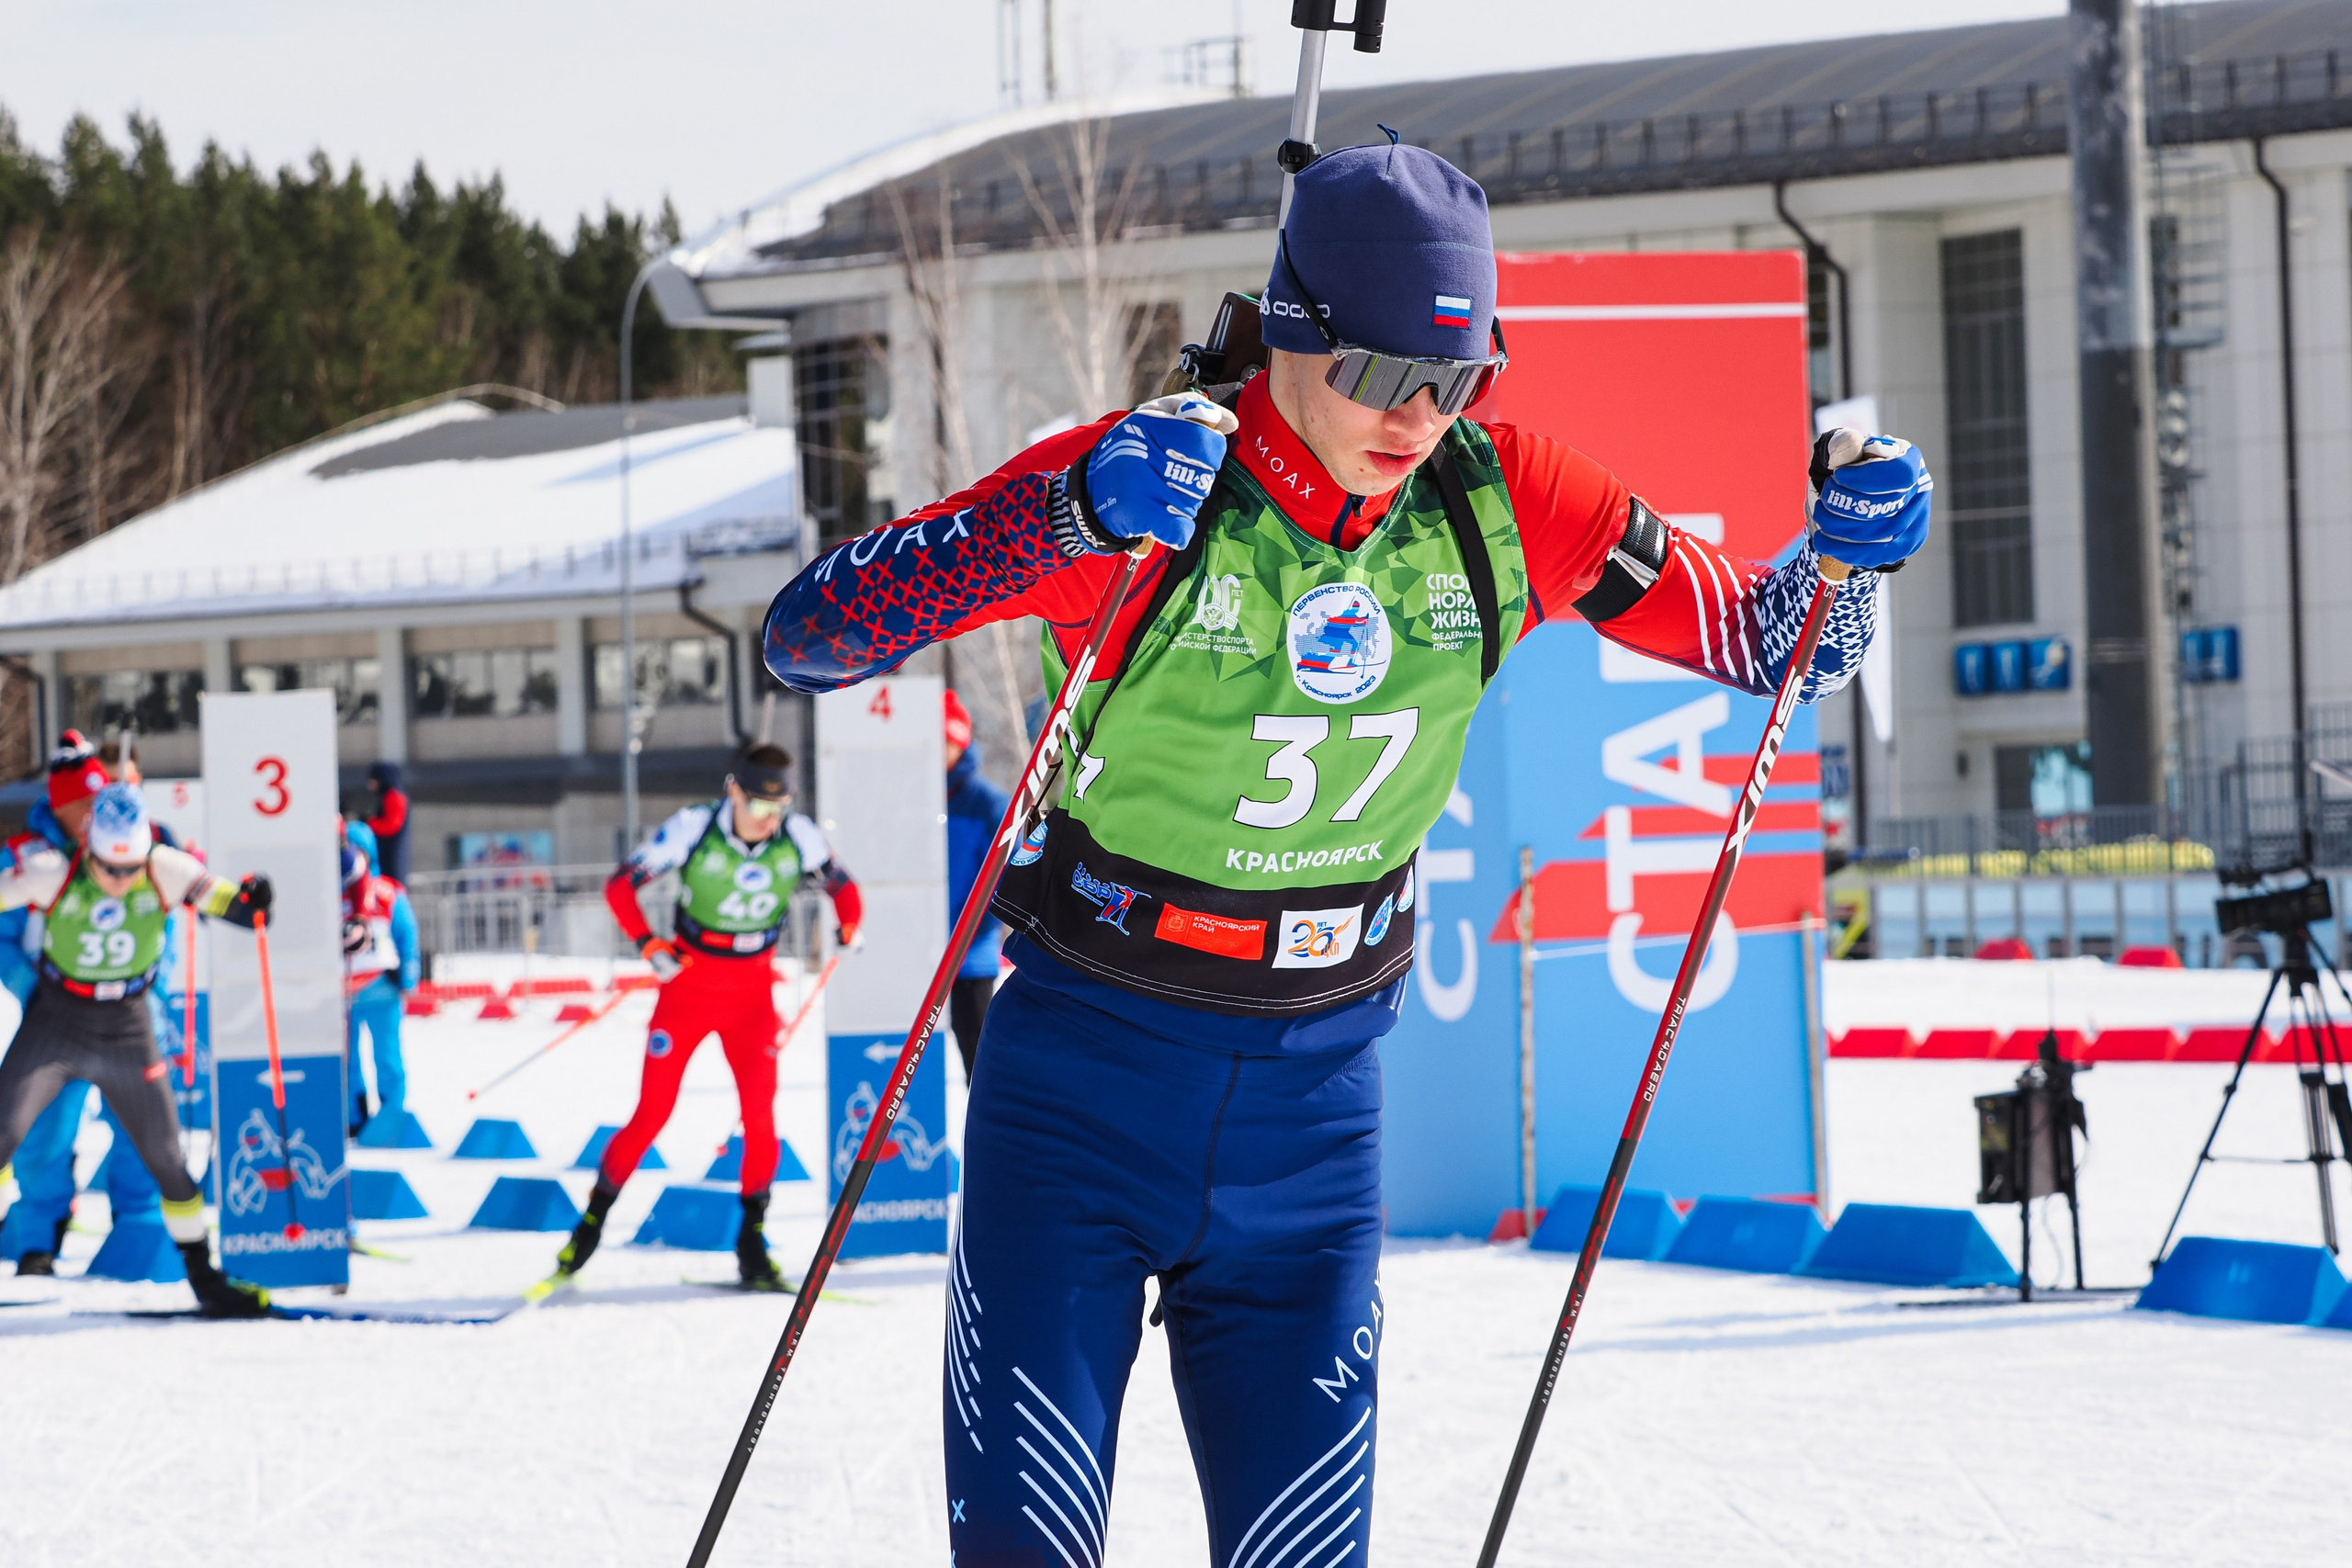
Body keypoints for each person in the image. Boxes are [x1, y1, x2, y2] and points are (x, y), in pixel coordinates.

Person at [762, 141, 1928, 1565]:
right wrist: (1055, 517)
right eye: (1383, 376)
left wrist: (1847, 565)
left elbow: (1769, 645)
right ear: (1292, 336)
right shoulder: (1156, 481)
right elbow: (810, 634)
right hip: (1079, 1091)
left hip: (1311, 1118)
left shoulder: (1504, 500)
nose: (1419, 417)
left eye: (1461, 380)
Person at [544, 743, 864, 1293]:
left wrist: (849, 927)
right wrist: (648, 944)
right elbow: (621, 885)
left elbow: (845, 889)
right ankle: (589, 1227)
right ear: (733, 791)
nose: (768, 822)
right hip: (689, 985)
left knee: (761, 1121)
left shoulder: (800, 835)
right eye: (759, 808)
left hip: (753, 994)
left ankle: (752, 1243)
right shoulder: (694, 826)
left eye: (777, 810)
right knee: (652, 1114)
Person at [0, 783, 277, 1314]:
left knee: (168, 1160)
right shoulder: (51, 870)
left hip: (128, 1028)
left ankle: (204, 1277)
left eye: (130, 870)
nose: (120, 881)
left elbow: (232, 907)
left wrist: (253, 899)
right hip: (57, 1022)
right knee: (3, 1134)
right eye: (109, 869)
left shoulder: (163, 867)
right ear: (89, 847)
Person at [941, 689, 1010, 1081]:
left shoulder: (986, 803)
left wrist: (977, 927)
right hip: (925, 952)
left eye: (946, 742)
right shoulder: (913, 796)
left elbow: (1004, 875)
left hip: (971, 952)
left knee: (979, 1056)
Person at [341, 821, 419, 1139]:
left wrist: (408, 978)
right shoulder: (333, 891)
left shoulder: (386, 892)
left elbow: (407, 934)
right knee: (347, 1062)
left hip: (381, 988)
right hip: (343, 992)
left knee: (387, 1055)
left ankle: (392, 1114)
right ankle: (352, 1116)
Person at [361, 761, 411, 885]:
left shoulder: (395, 797)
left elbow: (391, 826)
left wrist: (370, 823)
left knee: (393, 885)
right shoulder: (388, 796)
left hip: (393, 855)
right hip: (385, 855)